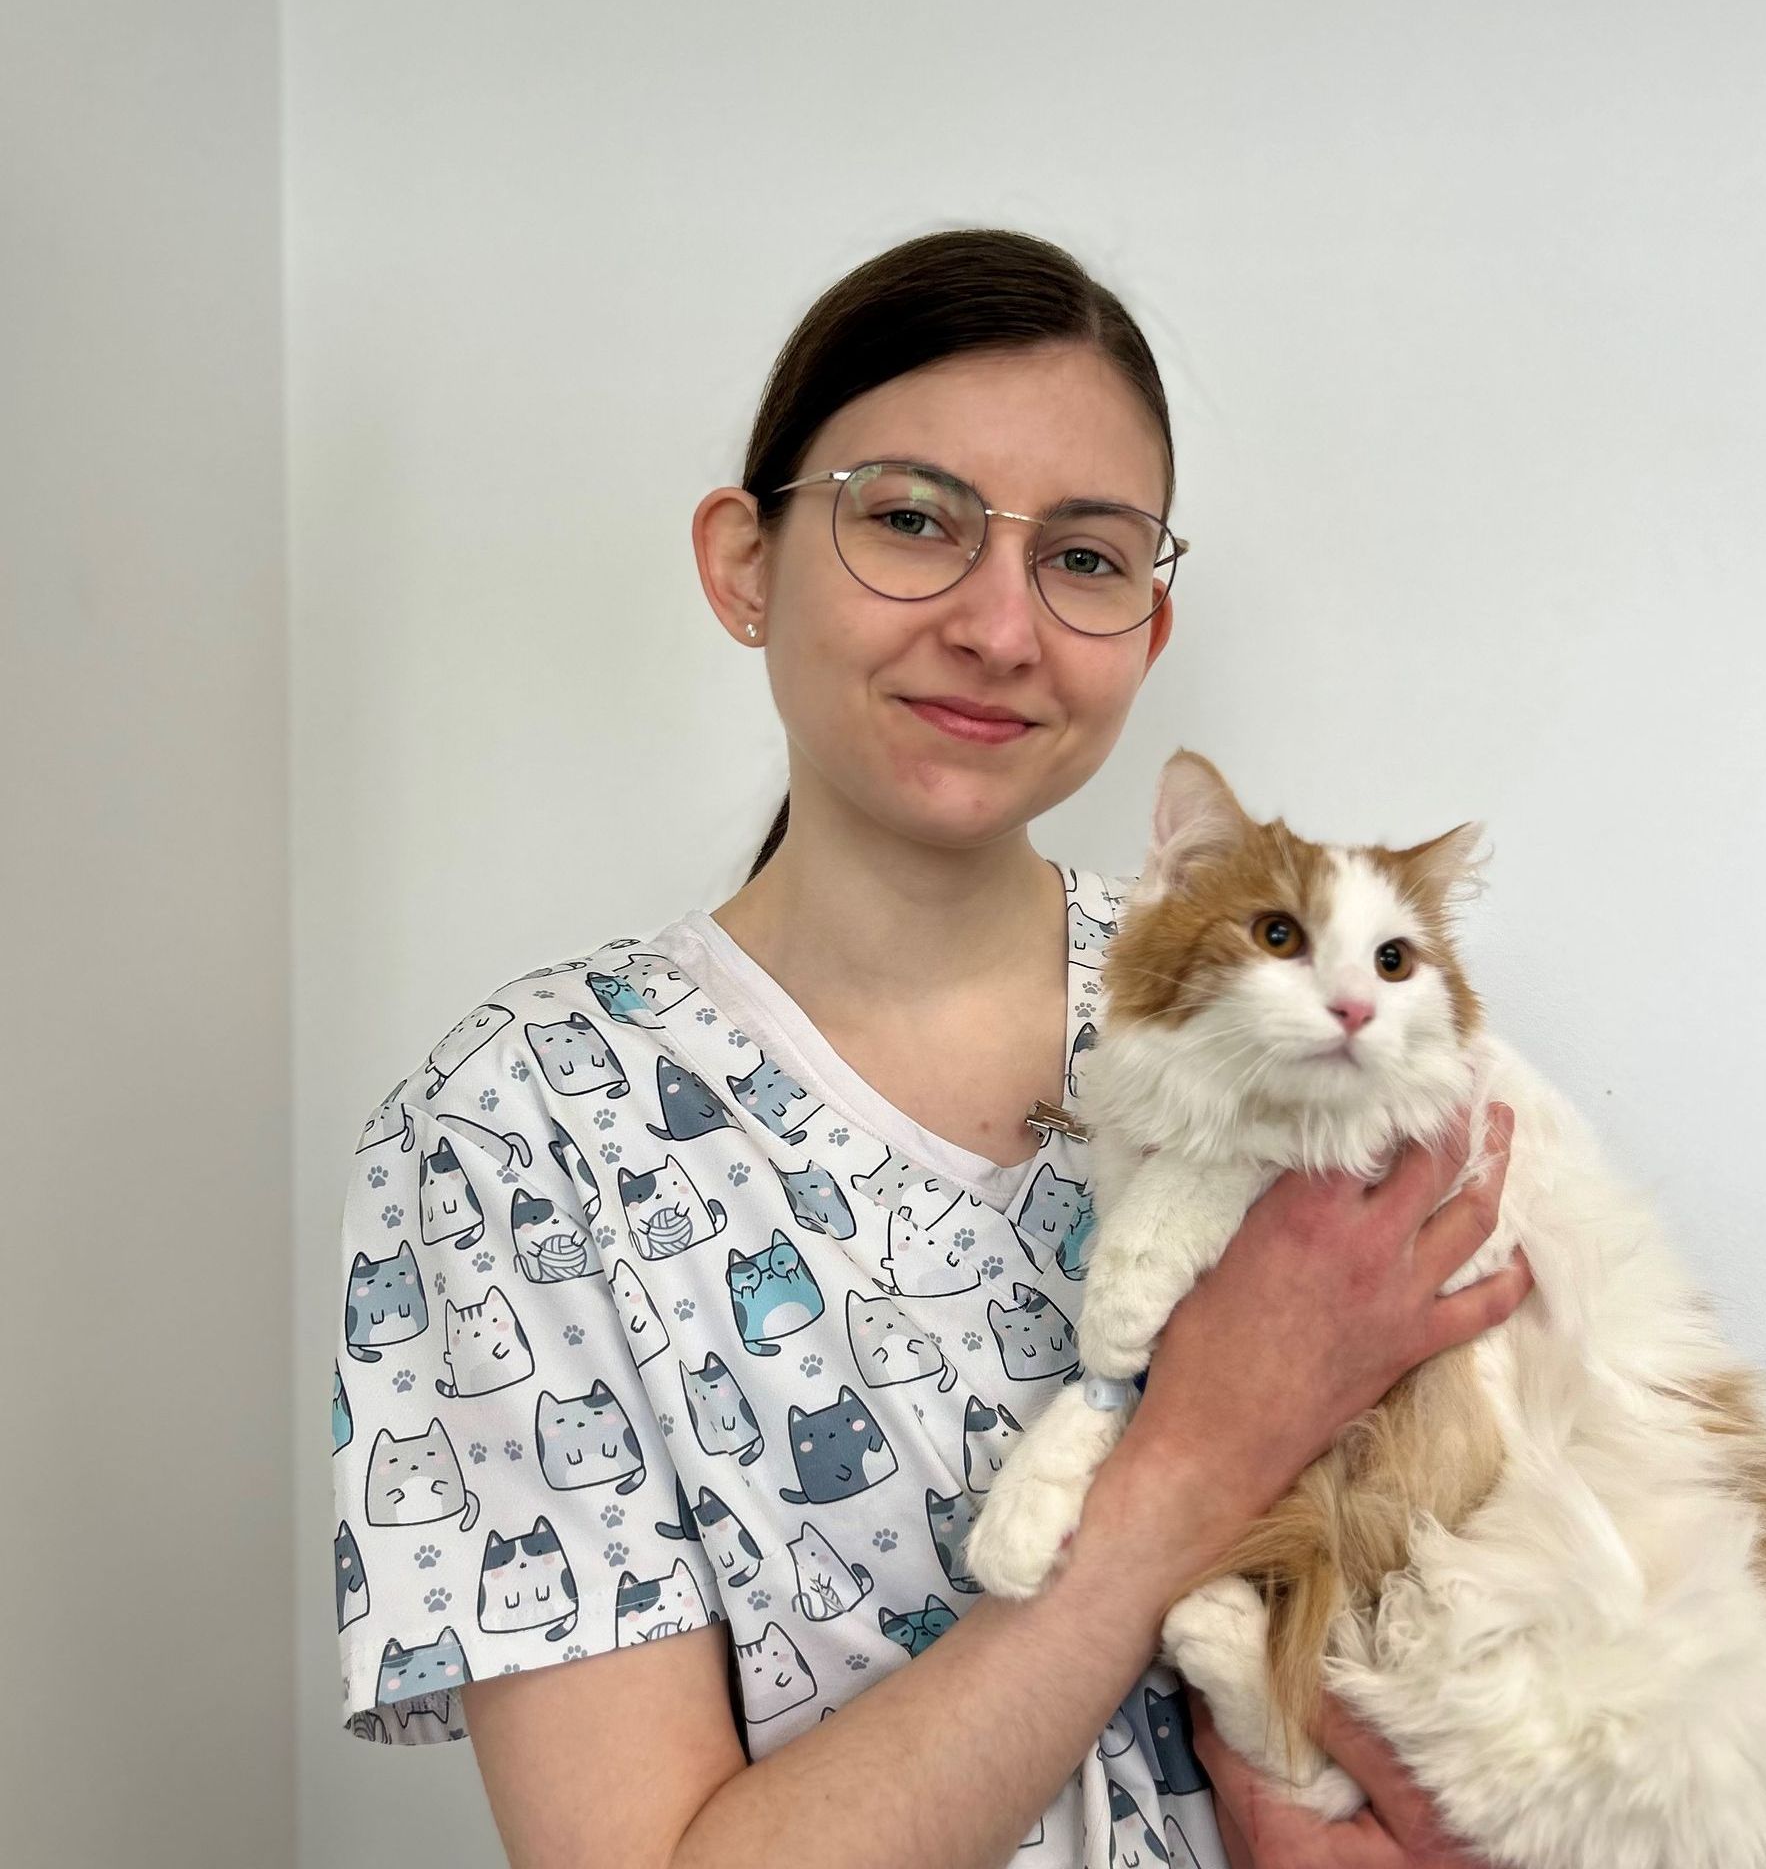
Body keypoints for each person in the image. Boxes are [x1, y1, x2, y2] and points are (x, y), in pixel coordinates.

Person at [329, 226, 1534, 1869]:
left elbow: (1519, 1559)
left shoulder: (1315, 1014)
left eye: (1087, 560)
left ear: (1149, 629)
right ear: (742, 562)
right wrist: (1189, 1464)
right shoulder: (514, 1139)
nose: (999, 626)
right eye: (911, 521)